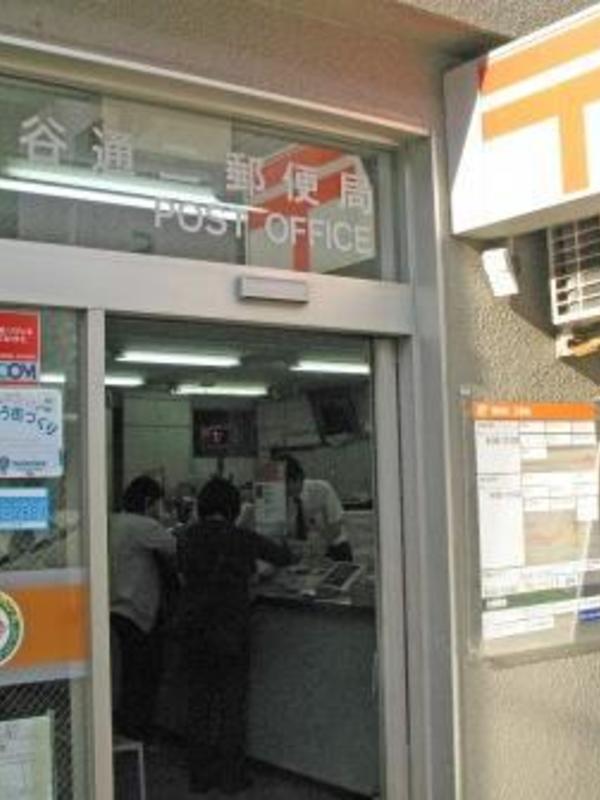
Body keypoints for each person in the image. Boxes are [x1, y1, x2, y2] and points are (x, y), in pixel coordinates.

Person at [177, 476, 293, 794]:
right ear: (234, 508)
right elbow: (283, 557)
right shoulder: (241, 537)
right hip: (231, 630)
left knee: (199, 705)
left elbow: (183, 574)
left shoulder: (186, 537)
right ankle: (231, 778)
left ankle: (200, 777)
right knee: (231, 706)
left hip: (194, 629)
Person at [109, 475, 177, 741]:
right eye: (160, 503)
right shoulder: (145, 526)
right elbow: (176, 547)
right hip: (137, 611)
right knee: (144, 674)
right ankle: (139, 730)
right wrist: (169, 525)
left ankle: (127, 726)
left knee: (128, 672)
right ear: (149, 502)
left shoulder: (113, 521)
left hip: (115, 608)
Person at [279, 454, 353, 562]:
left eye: (286, 484)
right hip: (299, 550)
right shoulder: (278, 500)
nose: (283, 489)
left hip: (331, 545)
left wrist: (317, 548)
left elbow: (336, 526)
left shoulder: (322, 489)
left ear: (298, 478)